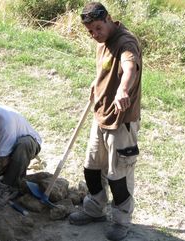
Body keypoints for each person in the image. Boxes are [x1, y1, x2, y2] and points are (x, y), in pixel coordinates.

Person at [68, 2, 142, 241]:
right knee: (91, 167)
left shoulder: (126, 42)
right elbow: (106, 68)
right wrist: (97, 82)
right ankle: (94, 208)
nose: (95, 35)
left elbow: (129, 67)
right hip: (100, 114)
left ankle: (121, 220)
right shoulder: (103, 41)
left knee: (118, 174)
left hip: (121, 119)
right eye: (90, 31)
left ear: (109, 19)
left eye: (98, 28)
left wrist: (123, 90)